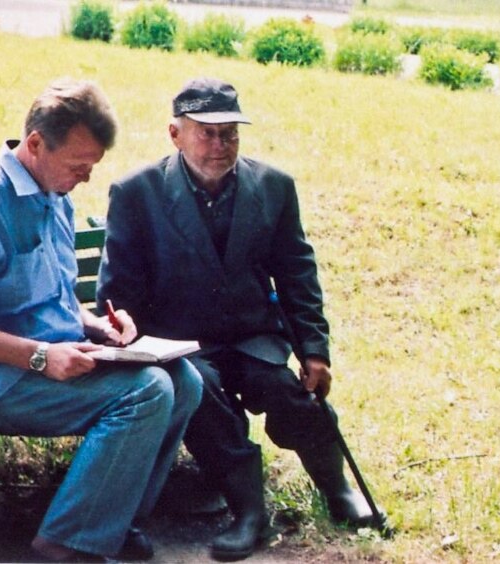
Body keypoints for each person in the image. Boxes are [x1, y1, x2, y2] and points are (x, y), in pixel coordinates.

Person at [97, 77, 382, 561]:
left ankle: (338, 490)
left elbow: (297, 274)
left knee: (289, 393)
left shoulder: (273, 187)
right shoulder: (136, 193)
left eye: (229, 133)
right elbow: (118, 291)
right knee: (202, 396)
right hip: (181, 345)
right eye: (206, 133)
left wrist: (314, 351)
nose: (220, 145)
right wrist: (130, 337)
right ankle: (249, 511)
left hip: (252, 338)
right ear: (175, 134)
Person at [0, 78, 203, 562]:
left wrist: (95, 325)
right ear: (36, 144)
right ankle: (69, 543)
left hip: (39, 362)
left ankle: (113, 523)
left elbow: (49, 297)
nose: (85, 179)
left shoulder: (53, 193)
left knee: (184, 381)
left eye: (92, 167)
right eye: (77, 166)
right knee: (146, 392)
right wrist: (40, 356)